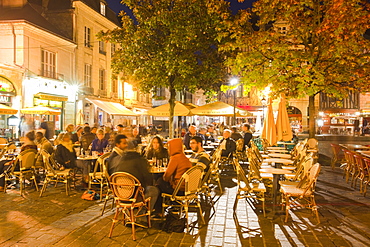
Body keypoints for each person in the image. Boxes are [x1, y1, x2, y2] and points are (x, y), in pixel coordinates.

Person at [109, 141, 159, 211]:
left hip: (119, 196)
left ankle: (131, 213)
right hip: (134, 197)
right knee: (154, 190)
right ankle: (143, 216)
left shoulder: (119, 160)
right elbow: (148, 180)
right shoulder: (140, 160)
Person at [155, 138, 192, 213]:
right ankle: (171, 204)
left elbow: (166, 176)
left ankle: (158, 210)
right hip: (188, 188)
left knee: (159, 181)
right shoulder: (184, 157)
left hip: (178, 189)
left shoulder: (175, 158)